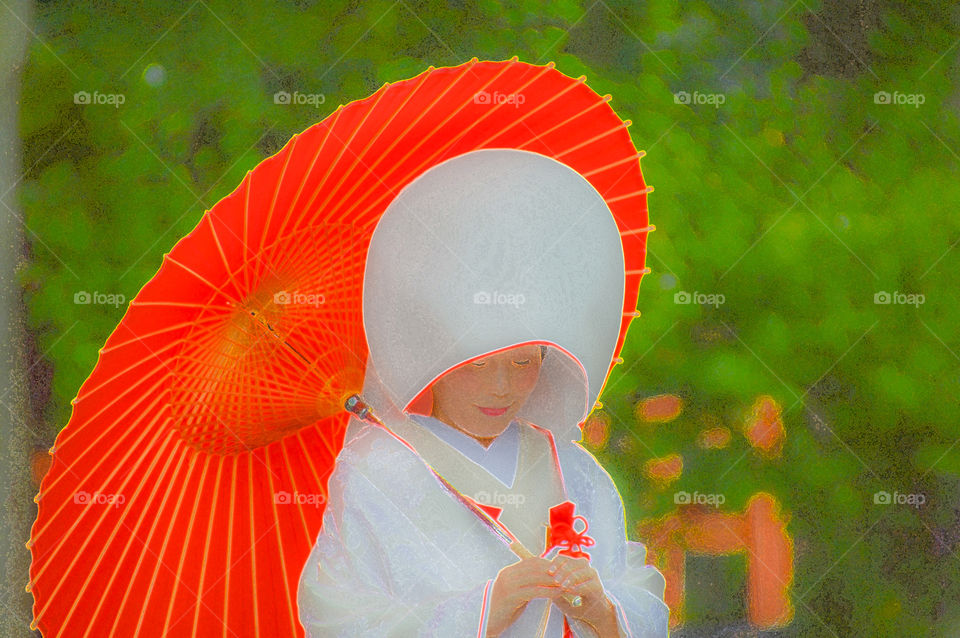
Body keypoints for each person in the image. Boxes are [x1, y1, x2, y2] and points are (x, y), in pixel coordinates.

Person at [297, 149, 669, 637]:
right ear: (437, 356)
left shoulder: (577, 471)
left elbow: (640, 596)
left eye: (522, 363)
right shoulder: (380, 470)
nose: (501, 388)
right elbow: (338, 618)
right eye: (476, 364)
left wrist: (599, 608)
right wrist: (489, 605)